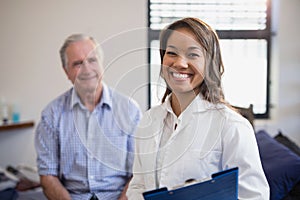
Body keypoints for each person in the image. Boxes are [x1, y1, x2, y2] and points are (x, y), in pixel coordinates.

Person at [127, 18, 269, 199]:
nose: (180, 63)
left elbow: (254, 196)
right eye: (172, 53)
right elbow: (138, 186)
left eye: (193, 54)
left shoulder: (231, 126)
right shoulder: (148, 120)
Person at [35, 34, 141, 200]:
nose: (87, 69)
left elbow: (139, 172)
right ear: (66, 71)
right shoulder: (51, 115)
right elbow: (48, 176)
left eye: (92, 60)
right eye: (77, 63)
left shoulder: (129, 110)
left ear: (101, 64)